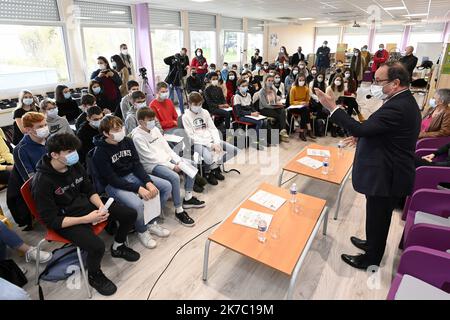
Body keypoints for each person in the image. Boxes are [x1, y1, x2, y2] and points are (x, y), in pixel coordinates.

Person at [314, 61, 421, 270]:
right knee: (375, 214)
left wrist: (332, 108)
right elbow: (380, 131)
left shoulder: (399, 106)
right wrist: (364, 137)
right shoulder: (402, 100)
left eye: (379, 81)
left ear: (396, 83)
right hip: (386, 170)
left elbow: (362, 128)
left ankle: (371, 258)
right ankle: (371, 244)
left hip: (388, 174)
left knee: (379, 218)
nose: (374, 84)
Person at [32, 133, 140, 296]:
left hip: (86, 206)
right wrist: (87, 219)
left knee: (129, 214)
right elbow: (51, 220)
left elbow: (89, 189)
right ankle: (94, 275)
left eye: (74, 150)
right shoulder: (42, 182)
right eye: (68, 151)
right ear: (54, 154)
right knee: (97, 247)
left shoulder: (74, 165)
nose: (73, 154)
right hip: (66, 219)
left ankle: (118, 246)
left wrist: (101, 206)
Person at [93, 116, 171, 249]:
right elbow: (112, 179)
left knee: (165, 187)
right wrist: (138, 188)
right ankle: (142, 230)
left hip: (133, 175)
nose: (120, 131)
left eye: (121, 127)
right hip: (114, 184)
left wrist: (148, 182)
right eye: (116, 129)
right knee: (137, 204)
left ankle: (151, 222)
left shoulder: (127, 141)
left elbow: (136, 164)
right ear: (106, 133)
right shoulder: (99, 152)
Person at [132, 107, 205, 226]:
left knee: (190, 164)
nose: (153, 122)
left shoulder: (154, 129)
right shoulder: (137, 137)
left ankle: (188, 197)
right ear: (140, 122)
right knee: (174, 177)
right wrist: (172, 166)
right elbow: (151, 158)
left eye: (153, 119)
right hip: (152, 165)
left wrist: (178, 160)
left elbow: (167, 148)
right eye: (149, 120)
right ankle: (179, 209)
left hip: (165, 159)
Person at [182, 92, 238, 185]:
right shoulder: (185, 117)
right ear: (189, 103)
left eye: (200, 104)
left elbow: (213, 128)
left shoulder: (205, 112)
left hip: (210, 140)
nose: (198, 106)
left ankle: (215, 167)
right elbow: (191, 136)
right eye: (195, 105)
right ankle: (208, 173)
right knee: (208, 157)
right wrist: (211, 145)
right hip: (197, 142)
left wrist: (216, 142)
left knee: (234, 151)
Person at [7, 112, 48, 230]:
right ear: (28, 130)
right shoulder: (21, 150)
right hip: (39, 185)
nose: (45, 128)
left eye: (45, 125)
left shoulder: (49, 140)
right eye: (40, 127)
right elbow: (31, 179)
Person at [234, 79, 267, 150]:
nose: (245, 87)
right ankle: (255, 142)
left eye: (246, 85)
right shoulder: (237, 96)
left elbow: (252, 107)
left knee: (264, 120)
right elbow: (239, 112)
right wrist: (251, 114)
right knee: (259, 122)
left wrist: (256, 112)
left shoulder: (248, 95)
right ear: (238, 87)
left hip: (250, 114)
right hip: (242, 116)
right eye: (243, 86)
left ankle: (260, 139)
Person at [259, 75, 289, 142]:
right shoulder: (262, 91)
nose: (270, 82)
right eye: (269, 80)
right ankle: (282, 131)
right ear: (265, 81)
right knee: (280, 115)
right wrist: (274, 107)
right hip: (264, 109)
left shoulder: (273, 90)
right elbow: (264, 105)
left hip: (273, 107)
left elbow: (275, 101)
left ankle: (282, 131)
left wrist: (278, 104)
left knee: (282, 110)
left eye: (272, 81)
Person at [289, 74, 315, 141]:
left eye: (303, 80)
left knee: (305, 111)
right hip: (294, 107)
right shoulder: (293, 88)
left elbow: (307, 100)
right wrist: (300, 103)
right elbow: (291, 102)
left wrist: (306, 103)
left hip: (303, 108)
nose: (301, 81)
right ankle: (309, 130)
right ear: (297, 80)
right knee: (305, 111)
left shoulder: (306, 89)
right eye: (300, 80)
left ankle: (302, 131)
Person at [164, 48, 190, 113]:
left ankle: (182, 112)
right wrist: (174, 57)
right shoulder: (174, 57)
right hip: (171, 79)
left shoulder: (185, 58)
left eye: (184, 53)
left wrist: (185, 68)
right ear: (180, 51)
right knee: (171, 97)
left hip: (178, 80)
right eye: (182, 52)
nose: (183, 54)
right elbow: (165, 60)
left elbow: (185, 69)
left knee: (180, 97)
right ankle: (170, 112)